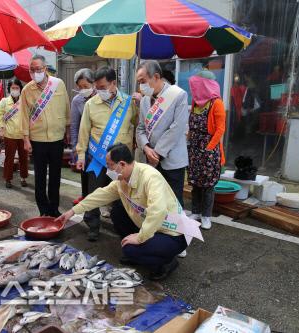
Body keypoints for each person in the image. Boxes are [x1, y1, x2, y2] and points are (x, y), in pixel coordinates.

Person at [56, 143, 200, 280]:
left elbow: (158, 211)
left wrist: (140, 238)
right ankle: (144, 250)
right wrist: (72, 212)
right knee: (117, 213)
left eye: (110, 166)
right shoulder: (122, 179)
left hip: (173, 233)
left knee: (130, 250)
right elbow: (100, 195)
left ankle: (167, 263)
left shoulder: (150, 177)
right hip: (152, 227)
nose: (108, 170)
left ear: (122, 164)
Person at [76, 67, 138, 241]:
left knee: (122, 195)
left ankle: (122, 227)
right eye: (97, 87)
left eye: (103, 87)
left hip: (121, 162)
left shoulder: (128, 102)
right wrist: (81, 155)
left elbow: (137, 123)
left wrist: (143, 104)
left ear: (114, 84)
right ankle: (93, 225)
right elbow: (84, 132)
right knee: (93, 193)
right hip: (97, 158)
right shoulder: (91, 104)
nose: (99, 91)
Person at [20, 54, 70, 217]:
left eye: (38, 69)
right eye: (32, 70)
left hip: (57, 138)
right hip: (38, 140)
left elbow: (66, 107)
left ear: (45, 68)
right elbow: (24, 115)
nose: (35, 73)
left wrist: (67, 130)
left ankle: (54, 208)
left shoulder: (58, 84)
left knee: (55, 176)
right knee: (40, 177)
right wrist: (26, 140)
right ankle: (43, 210)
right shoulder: (27, 89)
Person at [136, 60, 189, 207]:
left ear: (156, 77)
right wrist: (146, 148)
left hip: (172, 160)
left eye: (143, 81)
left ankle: (176, 230)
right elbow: (140, 128)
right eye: (139, 83)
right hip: (151, 159)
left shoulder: (178, 95)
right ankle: (158, 229)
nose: (141, 86)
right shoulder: (145, 101)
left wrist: (157, 153)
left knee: (174, 201)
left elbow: (177, 128)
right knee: (154, 200)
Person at [188, 70, 226, 230]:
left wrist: (209, 149)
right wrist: (188, 141)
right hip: (194, 149)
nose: (194, 90)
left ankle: (206, 216)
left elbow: (220, 129)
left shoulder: (216, 103)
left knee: (208, 185)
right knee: (196, 183)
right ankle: (195, 211)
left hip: (209, 150)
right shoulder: (196, 102)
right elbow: (191, 125)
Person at [0, 79, 28, 188]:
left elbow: (29, 116)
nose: (15, 90)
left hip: (23, 134)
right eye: (13, 88)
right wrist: (1, 129)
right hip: (9, 135)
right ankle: (8, 179)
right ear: (9, 89)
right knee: (9, 158)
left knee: (24, 157)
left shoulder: (24, 101)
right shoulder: (4, 101)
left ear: (20, 89)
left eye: (17, 88)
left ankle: (23, 178)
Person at [70, 68, 96, 205]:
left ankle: (100, 200)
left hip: (100, 143)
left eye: (86, 86)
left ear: (94, 84)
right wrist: (75, 147)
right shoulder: (77, 101)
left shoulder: (101, 97)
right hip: (84, 143)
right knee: (84, 171)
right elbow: (74, 126)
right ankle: (85, 195)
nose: (83, 89)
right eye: (80, 87)